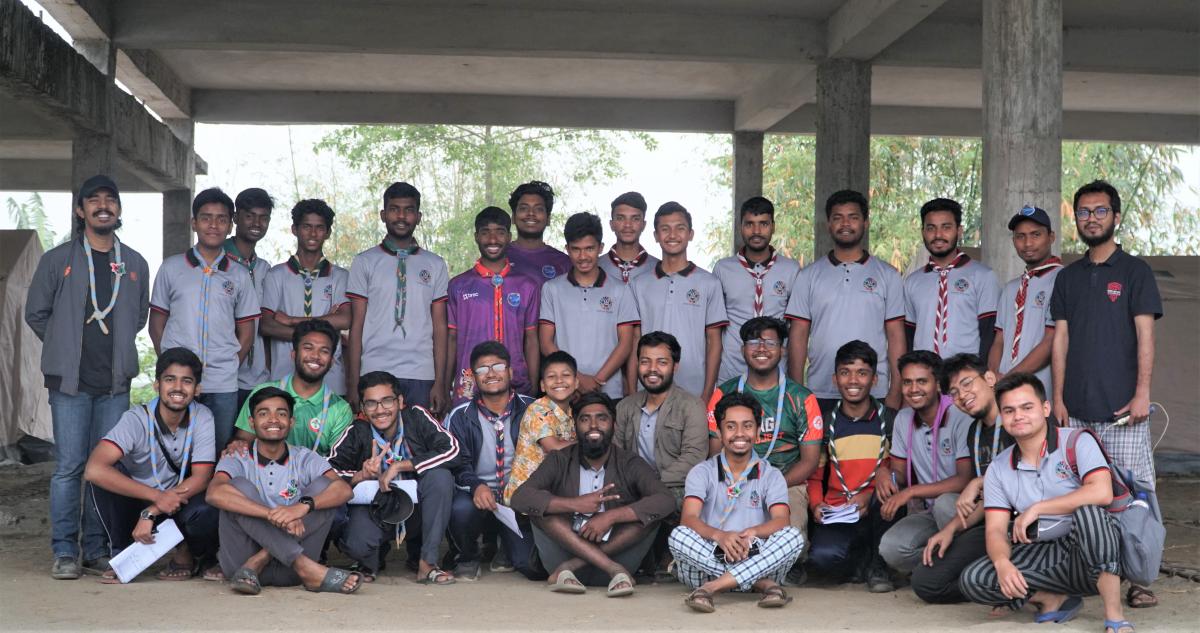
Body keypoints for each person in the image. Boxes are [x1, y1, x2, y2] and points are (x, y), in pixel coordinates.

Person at [25, 174, 150, 579]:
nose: (102, 205)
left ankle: (96, 548)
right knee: (69, 467)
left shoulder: (135, 263)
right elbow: (35, 313)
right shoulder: (57, 259)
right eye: (93, 200)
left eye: (110, 199)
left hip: (114, 385)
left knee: (106, 468)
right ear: (80, 210)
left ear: (118, 209)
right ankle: (65, 550)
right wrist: (63, 344)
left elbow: (139, 317)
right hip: (70, 384)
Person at [1051, 180, 1163, 610]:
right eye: (1084, 212)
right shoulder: (1067, 277)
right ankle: (1086, 575)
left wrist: (1142, 393)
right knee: (1080, 493)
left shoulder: (1135, 271)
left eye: (1100, 211)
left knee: (1135, 496)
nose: (1091, 219)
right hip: (1076, 412)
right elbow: (1060, 341)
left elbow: (1146, 336)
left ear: (1116, 216)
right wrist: (1058, 399)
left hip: (1123, 409)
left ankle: (1140, 579)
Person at [959, 373, 1133, 633]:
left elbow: (1102, 492)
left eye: (1027, 407)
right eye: (1009, 410)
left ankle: (1114, 617)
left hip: (1090, 552)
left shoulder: (1076, 441)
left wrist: (1038, 508)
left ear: (1045, 408)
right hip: (1042, 553)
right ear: (1002, 416)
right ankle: (1051, 597)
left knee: (1089, 513)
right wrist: (1002, 563)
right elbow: (995, 529)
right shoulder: (998, 468)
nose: (1018, 416)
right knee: (974, 579)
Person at [511, 392, 675, 595]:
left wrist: (611, 516)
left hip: (618, 556)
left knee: (649, 515)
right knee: (541, 509)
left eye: (602, 418)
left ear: (614, 425)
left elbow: (666, 500)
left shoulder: (629, 462)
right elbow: (520, 497)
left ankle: (576, 565)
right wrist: (574, 504)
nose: (593, 425)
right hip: (564, 556)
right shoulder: (559, 459)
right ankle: (610, 568)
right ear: (575, 426)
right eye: (585, 419)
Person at [206, 387, 361, 595]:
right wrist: (272, 514)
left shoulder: (305, 457)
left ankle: (260, 559)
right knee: (237, 487)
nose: (273, 419)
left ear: (291, 421)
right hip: (241, 567)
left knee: (325, 487)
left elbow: (344, 490)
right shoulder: (237, 457)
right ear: (251, 422)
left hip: (290, 573)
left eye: (281, 413)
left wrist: (302, 507)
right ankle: (303, 567)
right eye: (263, 413)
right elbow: (214, 493)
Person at [83, 347, 218, 582]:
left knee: (206, 510)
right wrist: (155, 497)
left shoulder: (202, 416)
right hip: (135, 501)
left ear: (197, 389)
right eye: (170, 379)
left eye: (187, 381)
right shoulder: (135, 419)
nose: (178, 387)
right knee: (105, 476)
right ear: (157, 385)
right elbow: (93, 469)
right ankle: (121, 552)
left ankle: (187, 551)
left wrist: (154, 510)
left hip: (175, 500)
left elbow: (202, 477)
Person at [705, 316, 822, 584]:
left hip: (786, 482)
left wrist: (772, 485)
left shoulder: (802, 398)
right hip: (733, 480)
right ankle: (756, 574)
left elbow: (810, 461)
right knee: (717, 531)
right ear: (742, 349)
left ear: (782, 350)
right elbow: (715, 453)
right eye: (754, 342)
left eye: (770, 343)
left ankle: (770, 569)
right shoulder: (723, 393)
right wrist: (739, 485)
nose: (761, 348)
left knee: (790, 535)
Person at [670, 392, 803, 613]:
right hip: (710, 558)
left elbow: (782, 520)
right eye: (731, 427)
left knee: (793, 537)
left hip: (756, 555)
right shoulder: (702, 472)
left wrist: (752, 532)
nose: (739, 433)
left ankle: (712, 588)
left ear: (758, 432)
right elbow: (689, 519)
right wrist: (720, 536)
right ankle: (761, 584)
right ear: (719, 432)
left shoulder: (771, 475)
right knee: (678, 536)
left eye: (747, 426)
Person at [149, 187, 260, 451]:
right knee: (174, 450)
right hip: (179, 380)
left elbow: (247, 332)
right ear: (194, 223)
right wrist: (171, 366)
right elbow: (156, 324)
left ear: (230, 225)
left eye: (221, 219)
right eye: (206, 218)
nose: (213, 225)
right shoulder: (171, 268)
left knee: (218, 450)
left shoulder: (239, 274)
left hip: (223, 383)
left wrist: (230, 364)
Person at [327, 371, 460, 584]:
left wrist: (402, 465)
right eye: (371, 403)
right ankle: (370, 561)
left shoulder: (415, 417)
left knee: (440, 477)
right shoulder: (357, 431)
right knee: (357, 545)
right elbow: (328, 472)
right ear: (362, 408)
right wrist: (361, 475)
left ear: (400, 401)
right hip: (376, 509)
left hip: (417, 509)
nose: (380, 410)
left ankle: (427, 564)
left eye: (387, 401)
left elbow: (452, 449)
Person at [787, 190, 905, 411]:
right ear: (828, 224)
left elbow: (896, 336)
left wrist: (896, 391)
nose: (845, 224)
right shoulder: (808, 276)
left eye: (853, 217)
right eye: (838, 218)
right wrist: (795, 392)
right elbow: (798, 336)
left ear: (866, 222)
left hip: (874, 392)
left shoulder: (888, 275)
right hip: (820, 391)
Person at [912, 353, 1014, 603]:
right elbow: (989, 499)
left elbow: (1029, 474)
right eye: (954, 393)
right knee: (925, 582)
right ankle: (991, 583)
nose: (962, 396)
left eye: (967, 383)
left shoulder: (1017, 416)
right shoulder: (974, 432)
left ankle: (1014, 585)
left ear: (989, 378)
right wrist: (950, 529)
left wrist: (978, 482)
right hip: (993, 523)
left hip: (1029, 524)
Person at [613, 331, 710, 578]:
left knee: (670, 501)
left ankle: (665, 555)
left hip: (673, 487)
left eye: (661, 362)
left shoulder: (692, 405)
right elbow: (615, 455)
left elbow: (693, 458)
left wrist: (650, 484)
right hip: (632, 488)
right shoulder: (625, 407)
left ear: (675, 367)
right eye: (645, 361)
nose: (652, 369)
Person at [347, 182, 450, 413]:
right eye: (394, 209)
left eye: (409, 210)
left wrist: (441, 382)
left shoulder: (435, 264)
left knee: (418, 434)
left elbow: (440, 327)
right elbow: (356, 326)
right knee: (377, 434)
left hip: (422, 372)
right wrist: (353, 383)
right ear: (383, 215)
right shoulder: (364, 262)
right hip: (374, 369)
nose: (401, 216)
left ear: (418, 217)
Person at [805, 341, 896, 593]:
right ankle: (861, 558)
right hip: (839, 510)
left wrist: (869, 494)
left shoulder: (889, 420)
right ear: (835, 379)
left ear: (874, 379)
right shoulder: (826, 422)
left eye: (862, 373)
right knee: (822, 560)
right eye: (845, 372)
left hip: (877, 508)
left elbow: (900, 471)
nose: (853, 380)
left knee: (890, 492)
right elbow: (815, 476)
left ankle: (878, 564)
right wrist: (816, 504)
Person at [445, 341, 539, 579]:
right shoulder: (460, 416)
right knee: (460, 509)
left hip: (518, 496)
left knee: (529, 565)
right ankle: (467, 555)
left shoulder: (532, 409)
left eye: (497, 366)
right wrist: (476, 485)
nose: (490, 374)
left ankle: (506, 547)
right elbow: (457, 464)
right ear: (473, 377)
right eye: (482, 369)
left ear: (510, 372)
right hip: (476, 494)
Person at [877, 350, 973, 574]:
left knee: (944, 504)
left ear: (938, 384)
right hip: (930, 511)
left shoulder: (960, 415)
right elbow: (899, 474)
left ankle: (963, 567)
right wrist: (885, 473)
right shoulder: (903, 418)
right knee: (891, 548)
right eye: (907, 382)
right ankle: (945, 567)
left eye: (922, 381)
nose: (913, 389)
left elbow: (964, 479)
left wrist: (911, 492)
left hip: (963, 508)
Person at [630, 202, 727, 399]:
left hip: (694, 390)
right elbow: (634, 340)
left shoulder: (709, 283)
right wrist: (632, 391)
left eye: (680, 228)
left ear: (690, 234)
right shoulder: (639, 284)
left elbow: (714, 342)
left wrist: (707, 393)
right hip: (648, 389)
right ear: (656, 235)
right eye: (665, 229)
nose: (672, 235)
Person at [538, 212, 639, 399]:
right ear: (567, 249)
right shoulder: (552, 289)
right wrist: (576, 378)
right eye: (576, 249)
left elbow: (626, 343)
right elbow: (545, 343)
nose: (583, 256)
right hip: (564, 391)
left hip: (609, 392)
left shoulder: (621, 290)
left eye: (589, 249)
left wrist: (597, 381)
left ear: (600, 247)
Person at [447, 206, 541, 406]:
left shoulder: (527, 285)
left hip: (517, 383)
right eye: (485, 233)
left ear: (509, 237)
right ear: (476, 237)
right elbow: (452, 339)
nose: (492, 239)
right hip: (469, 385)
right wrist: (444, 385)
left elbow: (532, 339)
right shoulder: (459, 285)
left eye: (500, 232)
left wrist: (533, 386)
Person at [261, 199, 351, 396]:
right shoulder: (276, 275)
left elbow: (344, 319)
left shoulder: (340, 276)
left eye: (319, 228)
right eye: (306, 227)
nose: (313, 233)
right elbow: (266, 325)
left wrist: (292, 321)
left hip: (331, 378)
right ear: (295, 229)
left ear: (328, 232)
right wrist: (322, 330)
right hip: (284, 375)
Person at [230, 320, 354, 457]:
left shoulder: (340, 409)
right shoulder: (262, 393)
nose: (315, 356)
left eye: (324, 351)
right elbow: (243, 440)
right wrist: (238, 444)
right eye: (308, 348)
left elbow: (338, 461)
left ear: (331, 362)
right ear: (294, 355)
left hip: (318, 471)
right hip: (265, 469)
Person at [713, 196, 801, 383]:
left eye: (763, 224)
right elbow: (714, 329)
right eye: (749, 224)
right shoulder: (723, 269)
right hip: (731, 371)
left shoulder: (791, 269)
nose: (756, 231)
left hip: (776, 372)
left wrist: (795, 380)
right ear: (740, 227)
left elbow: (797, 330)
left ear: (773, 227)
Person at [903, 197, 1001, 358]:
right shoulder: (912, 281)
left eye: (946, 227)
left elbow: (990, 333)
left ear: (959, 231)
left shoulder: (983, 276)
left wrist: (981, 370)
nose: (938, 235)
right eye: (931, 228)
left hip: (966, 370)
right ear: (923, 232)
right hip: (924, 370)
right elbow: (908, 334)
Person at [988, 205, 1063, 393]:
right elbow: (999, 340)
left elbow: (1051, 342)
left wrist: (1009, 379)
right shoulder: (1011, 288)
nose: (1028, 243)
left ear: (1051, 237)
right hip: (1004, 390)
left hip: (1039, 389)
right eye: (1020, 236)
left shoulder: (1063, 280)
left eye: (1036, 235)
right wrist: (993, 376)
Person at [504, 351, 580, 504]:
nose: (559, 380)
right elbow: (554, 447)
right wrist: (589, 443)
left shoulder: (570, 413)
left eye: (566, 375)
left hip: (550, 490)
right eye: (551, 376)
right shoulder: (538, 409)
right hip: (524, 495)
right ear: (543, 386)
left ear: (576, 383)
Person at [225, 188, 274, 409]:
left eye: (264, 218)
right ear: (235, 218)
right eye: (250, 216)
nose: (257, 223)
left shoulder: (264, 268)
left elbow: (267, 322)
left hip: (259, 379)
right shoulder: (217, 262)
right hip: (223, 377)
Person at [506, 180, 572, 285]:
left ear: (548, 219)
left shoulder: (564, 263)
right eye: (524, 208)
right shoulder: (498, 257)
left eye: (538, 209)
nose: (531, 213)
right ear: (513, 217)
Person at [599, 191, 659, 284]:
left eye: (635, 219)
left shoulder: (660, 269)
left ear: (643, 225)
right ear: (611, 224)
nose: (628, 225)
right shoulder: (595, 267)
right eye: (620, 218)